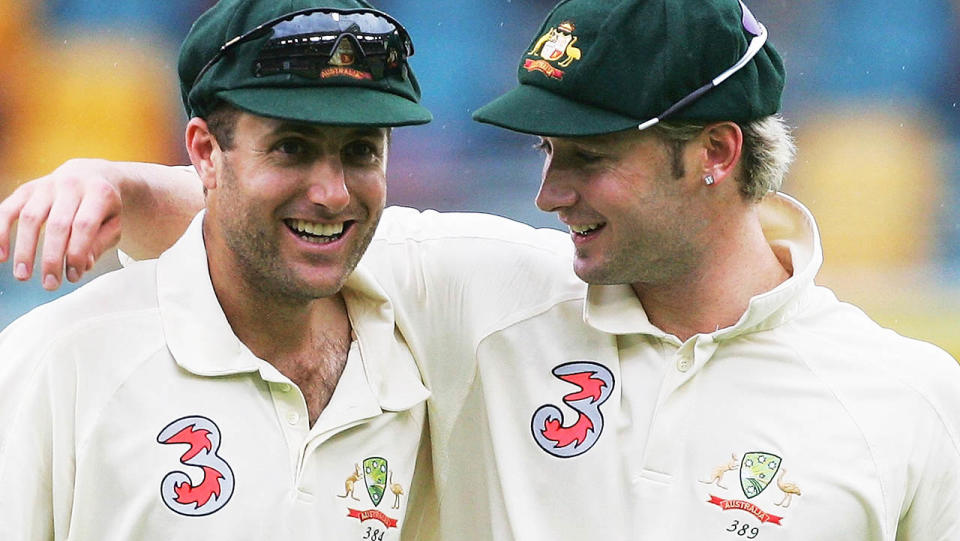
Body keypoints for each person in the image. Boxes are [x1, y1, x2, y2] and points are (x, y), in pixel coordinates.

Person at [3, 0, 959, 539]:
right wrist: (111, 180)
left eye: (589, 157)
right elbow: (291, 213)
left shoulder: (909, 399)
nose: (549, 192)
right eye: (546, 154)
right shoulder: (488, 287)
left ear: (713, 152)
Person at [0, 0, 440, 539]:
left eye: (361, 151)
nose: (333, 193)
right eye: (292, 148)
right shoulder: (59, 361)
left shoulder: (415, 351)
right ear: (205, 153)